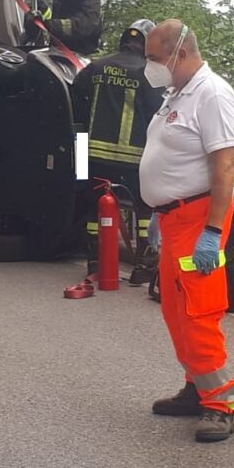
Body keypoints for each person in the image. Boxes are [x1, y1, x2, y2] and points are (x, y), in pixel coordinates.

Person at [139, 19, 234, 443]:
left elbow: (225, 167)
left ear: (179, 54)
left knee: (199, 312)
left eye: (153, 58)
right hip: (175, 218)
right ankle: (196, 387)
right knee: (176, 310)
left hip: (199, 219)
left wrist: (213, 231)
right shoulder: (177, 94)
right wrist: (159, 209)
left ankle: (221, 403)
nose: (149, 66)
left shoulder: (212, 94)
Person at [72, 19, 163, 276]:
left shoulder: (96, 66)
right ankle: (143, 265)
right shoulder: (150, 73)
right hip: (134, 159)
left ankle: (94, 261)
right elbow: (159, 113)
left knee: (91, 206)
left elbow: (76, 94)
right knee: (144, 207)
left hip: (89, 155)